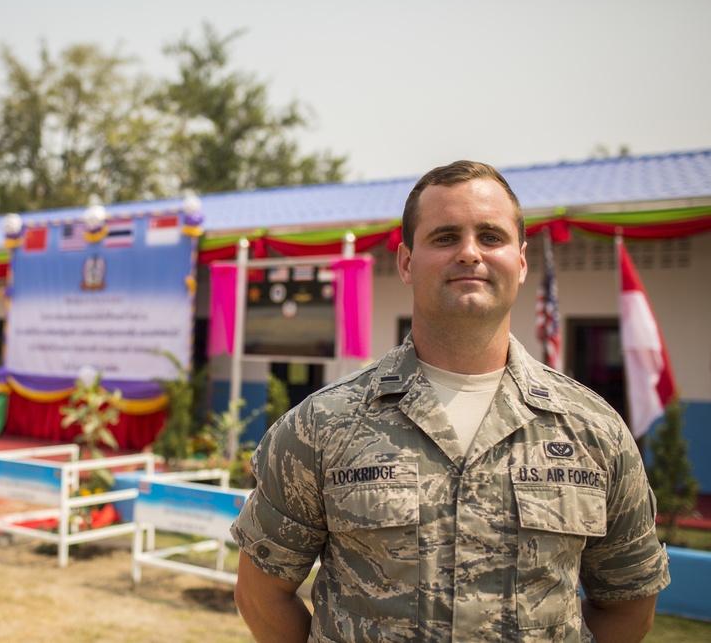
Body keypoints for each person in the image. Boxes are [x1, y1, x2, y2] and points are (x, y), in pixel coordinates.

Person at [231, 160, 670, 642]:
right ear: (405, 262)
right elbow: (261, 595)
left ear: (521, 262)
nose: (469, 253)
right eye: (444, 237)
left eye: (490, 237)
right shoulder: (321, 425)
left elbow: (628, 605)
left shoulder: (592, 429)